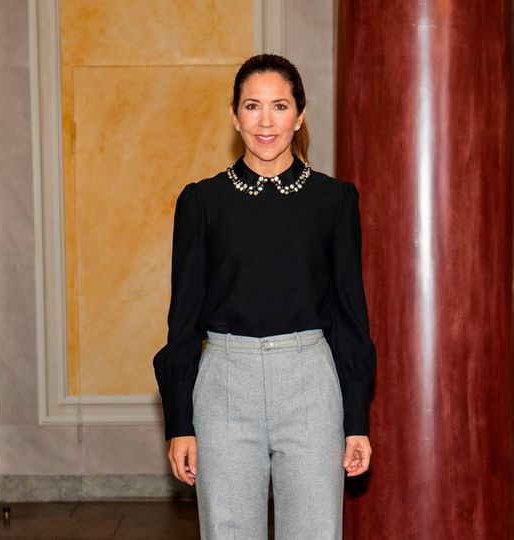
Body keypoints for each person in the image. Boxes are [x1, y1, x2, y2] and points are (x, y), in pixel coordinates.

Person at [153, 54, 376, 539]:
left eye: (280, 106)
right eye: (253, 106)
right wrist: (180, 422)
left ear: (299, 116)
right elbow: (183, 319)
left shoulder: (334, 201)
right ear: (235, 115)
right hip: (225, 385)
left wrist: (356, 419)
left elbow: (349, 316)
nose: (266, 120)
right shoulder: (202, 202)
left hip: (311, 385)